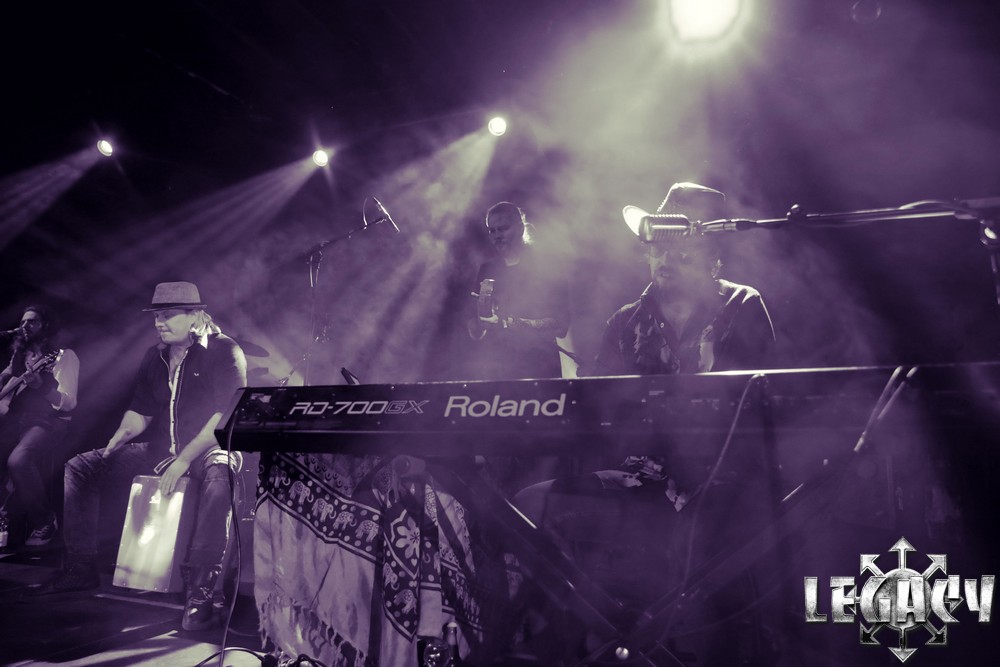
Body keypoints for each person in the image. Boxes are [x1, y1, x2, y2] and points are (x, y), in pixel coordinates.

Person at [511, 183, 776, 663]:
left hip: (721, 484)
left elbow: (762, 409)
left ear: (711, 254)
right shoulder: (625, 320)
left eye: (680, 247)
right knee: (530, 507)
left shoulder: (741, 305)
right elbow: (592, 411)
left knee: (708, 593)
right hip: (637, 479)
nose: (663, 257)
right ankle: (575, 640)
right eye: (656, 246)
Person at [36, 282, 246, 633]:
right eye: (156, 317)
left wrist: (184, 460)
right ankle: (80, 568)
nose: (159, 323)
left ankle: (201, 594)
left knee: (220, 476)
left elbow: (224, 415)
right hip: (164, 450)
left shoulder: (225, 350)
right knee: (81, 467)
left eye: (168, 316)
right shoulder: (156, 355)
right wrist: (120, 436)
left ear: (195, 315)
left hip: (209, 449)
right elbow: (141, 410)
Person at [0, 304, 79, 547]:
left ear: (45, 326)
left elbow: (69, 403)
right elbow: (7, 389)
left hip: (50, 421)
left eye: (32, 321)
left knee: (18, 460)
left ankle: (45, 520)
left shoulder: (63, 356)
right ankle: (5, 517)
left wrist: (41, 387)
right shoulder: (20, 356)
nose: (25, 326)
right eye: (23, 321)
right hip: (18, 419)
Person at [468, 201, 570, 381]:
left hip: (541, 368)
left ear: (521, 228)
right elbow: (476, 333)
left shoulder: (546, 264)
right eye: (492, 231)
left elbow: (561, 326)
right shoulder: (487, 269)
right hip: (499, 370)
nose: (497, 236)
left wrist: (514, 323)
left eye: (503, 229)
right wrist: (480, 321)